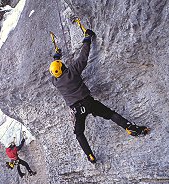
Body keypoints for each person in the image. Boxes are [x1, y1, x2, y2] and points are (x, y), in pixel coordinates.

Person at [49, 29, 149, 164]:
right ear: (63, 67)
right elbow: (83, 57)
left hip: (77, 110)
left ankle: (90, 155)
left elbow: (56, 70)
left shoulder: (55, 82)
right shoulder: (73, 71)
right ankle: (130, 127)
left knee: (79, 134)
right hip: (88, 102)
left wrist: (57, 56)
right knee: (110, 114)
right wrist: (87, 38)